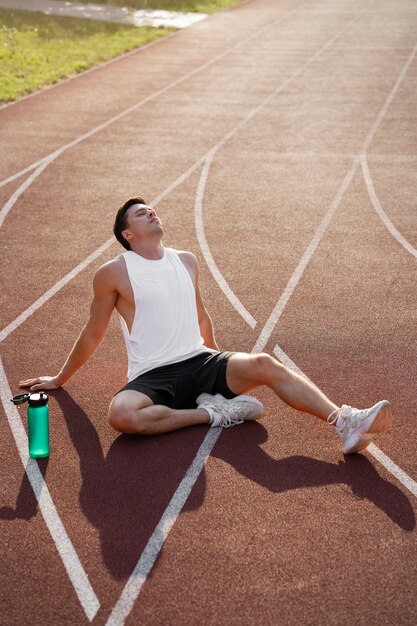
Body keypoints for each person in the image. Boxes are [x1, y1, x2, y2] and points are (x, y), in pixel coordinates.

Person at [20, 196, 394, 454]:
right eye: (139, 213)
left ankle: (345, 421)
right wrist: (59, 378)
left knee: (263, 362)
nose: (150, 211)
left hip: (202, 361)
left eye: (150, 208)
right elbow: (93, 332)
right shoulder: (113, 273)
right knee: (121, 415)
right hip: (154, 376)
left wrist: (219, 359)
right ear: (127, 234)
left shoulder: (185, 260)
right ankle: (214, 414)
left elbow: (201, 315)